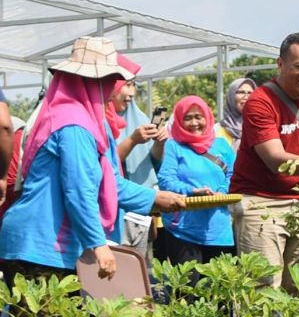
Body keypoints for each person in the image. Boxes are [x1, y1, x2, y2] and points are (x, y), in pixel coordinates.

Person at [0, 36, 184, 285]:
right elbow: (79, 188)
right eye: (111, 79)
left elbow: (109, 183)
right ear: (93, 81)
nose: (114, 86)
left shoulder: (91, 123)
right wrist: (98, 243)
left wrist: (155, 198)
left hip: (53, 245)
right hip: (40, 244)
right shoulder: (73, 124)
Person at [230, 32, 299, 294]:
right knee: (263, 291)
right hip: (261, 203)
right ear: (280, 64)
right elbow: (276, 161)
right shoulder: (260, 102)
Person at [157, 96, 235, 282]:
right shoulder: (174, 146)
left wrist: (221, 193)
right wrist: (192, 191)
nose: (194, 123)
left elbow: (234, 174)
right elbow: (165, 179)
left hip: (219, 229)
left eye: (198, 117)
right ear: (179, 120)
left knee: (222, 292)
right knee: (188, 290)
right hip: (183, 229)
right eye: (188, 118)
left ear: (208, 117)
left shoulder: (222, 145)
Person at [107, 56, 168, 259]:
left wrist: (159, 143)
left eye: (134, 85)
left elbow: (154, 163)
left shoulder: (139, 118)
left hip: (138, 210)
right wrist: (132, 140)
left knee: (136, 269)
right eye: (127, 85)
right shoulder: (100, 120)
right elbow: (105, 164)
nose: (132, 93)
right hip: (112, 209)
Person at [216, 77, 257, 152]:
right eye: (241, 92)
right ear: (231, 96)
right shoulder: (216, 130)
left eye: (250, 93)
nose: (246, 96)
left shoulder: (260, 127)